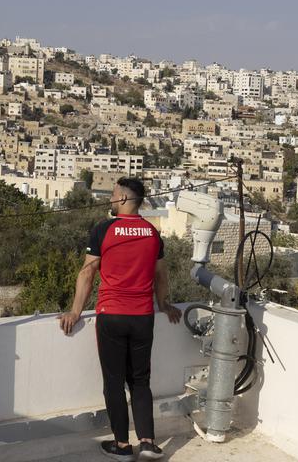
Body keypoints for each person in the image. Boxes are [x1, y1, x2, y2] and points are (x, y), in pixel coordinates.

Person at [59, 177, 181, 462]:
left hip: (112, 316)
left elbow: (87, 273)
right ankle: (149, 443)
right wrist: (163, 303)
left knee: (113, 382)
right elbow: (161, 275)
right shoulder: (152, 232)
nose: (111, 199)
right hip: (143, 318)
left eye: (114, 195)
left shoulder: (104, 229)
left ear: (124, 199)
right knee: (140, 380)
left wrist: (76, 311)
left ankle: (123, 446)